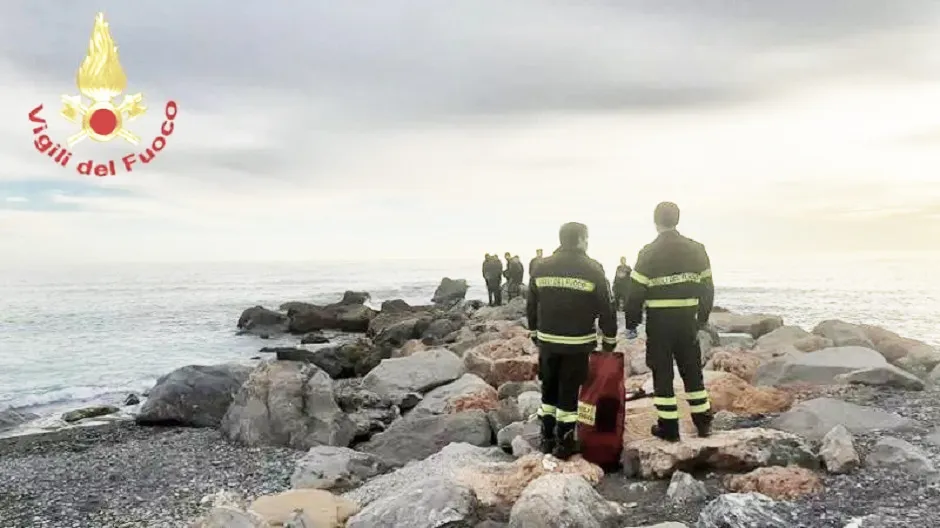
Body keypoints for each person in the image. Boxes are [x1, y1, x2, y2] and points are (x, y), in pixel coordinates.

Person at [624, 202, 715, 442]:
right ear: (677, 219)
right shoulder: (697, 250)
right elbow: (708, 289)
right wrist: (702, 319)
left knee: (662, 373)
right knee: (692, 371)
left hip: (660, 323)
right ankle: (703, 422)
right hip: (687, 320)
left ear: (656, 222)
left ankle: (669, 426)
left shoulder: (648, 253)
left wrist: (631, 323)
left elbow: (635, 294)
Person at [527, 222, 618, 459]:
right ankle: (565, 441)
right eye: (586, 239)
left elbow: (531, 304)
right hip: (577, 342)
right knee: (568, 390)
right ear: (580, 239)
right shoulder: (593, 269)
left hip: (547, 340)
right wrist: (609, 340)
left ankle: (546, 436)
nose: (587, 243)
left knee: (548, 388)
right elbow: (606, 308)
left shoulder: (541, 267)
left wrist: (534, 332)